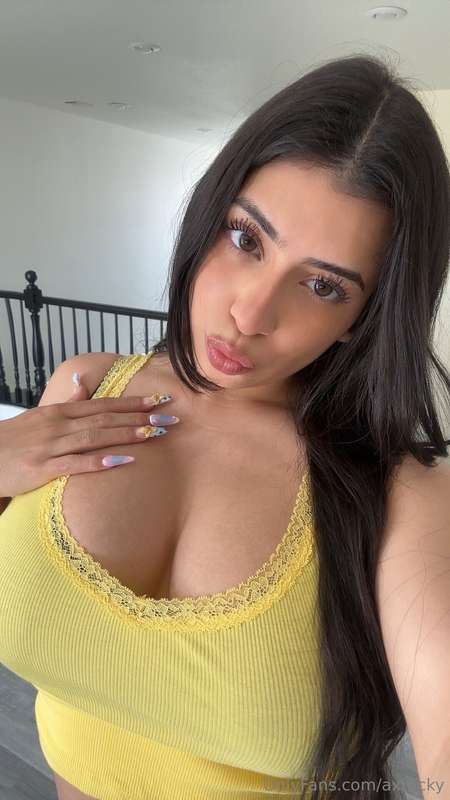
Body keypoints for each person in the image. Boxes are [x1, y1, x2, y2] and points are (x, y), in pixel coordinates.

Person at [0, 52, 449, 800]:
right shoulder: (80, 388)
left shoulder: (401, 496)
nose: (250, 314)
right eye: (246, 239)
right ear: (210, 214)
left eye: (322, 285)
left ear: (363, 317)